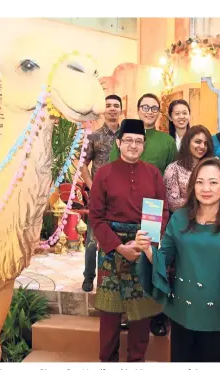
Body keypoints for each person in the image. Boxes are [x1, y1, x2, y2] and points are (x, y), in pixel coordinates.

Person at [135, 157, 220, 362]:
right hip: (185, 312)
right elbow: (164, 259)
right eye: (200, 182)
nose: (206, 188)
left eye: (213, 182)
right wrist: (148, 250)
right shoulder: (180, 218)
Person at [89, 118, 169, 362]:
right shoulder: (104, 173)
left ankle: (137, 360)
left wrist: (145, 243)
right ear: (119, 142)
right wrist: (120, 247)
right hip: (112, 248)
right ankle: (107, 361)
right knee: (110, 314)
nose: (133, 145)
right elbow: (96, 217)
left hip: (143, 244)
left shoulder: (153, 174)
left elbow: (161, 211)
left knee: (141, 312)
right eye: (129, 141)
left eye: (139, 141)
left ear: (144, 145)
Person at [81, 94, 122, 292]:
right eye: (109, 105)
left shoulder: (127, 136)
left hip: (122, 196)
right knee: (92, 238)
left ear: (121, 109)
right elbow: (82, 164)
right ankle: (89, 276)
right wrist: (91, 185)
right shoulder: (94, 136)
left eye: (116, 105)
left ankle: (113, 276)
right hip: (99, 196)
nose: (112, 108)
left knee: (118, 236)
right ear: (104, 110)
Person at [109, 93, 177, 175]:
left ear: (158, 112)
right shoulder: (123, 138)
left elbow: (172, 177)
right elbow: (111, 170)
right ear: (138, 110)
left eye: (154, 108)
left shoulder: (168, 141)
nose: (150, 112)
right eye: (145, 108)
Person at [164, 125, 214, 212]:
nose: (202, 146)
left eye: (206, 143)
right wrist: (202, 202)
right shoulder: (173, 169)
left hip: (212, 219)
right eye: (198, 142)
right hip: (183, 220)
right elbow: (172, 204)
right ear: (188, 142)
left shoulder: (212, 168)